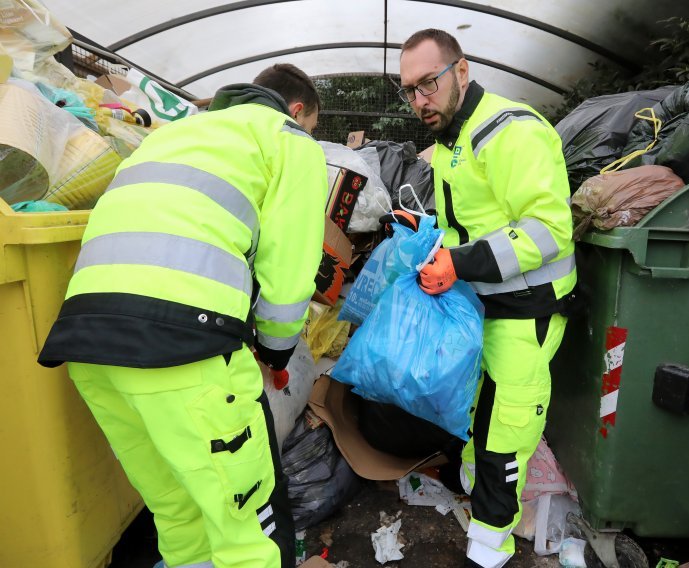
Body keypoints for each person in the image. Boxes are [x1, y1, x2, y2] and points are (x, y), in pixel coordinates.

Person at [38, 63, 328, 568]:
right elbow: (289, 273)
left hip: (85, 341)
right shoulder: (288, 140)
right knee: (249, 533)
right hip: (183, 349)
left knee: (178, 514)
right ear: (297, 111)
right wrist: (275, 352)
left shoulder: (174, 134)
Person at [393, 29, 578, 568]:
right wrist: (429, 231)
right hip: (484, 306)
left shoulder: (508, 131)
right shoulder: (454, 138)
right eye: (409, 90)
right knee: (481, 412)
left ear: (462, 70)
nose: (419, 99)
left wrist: (460, 262)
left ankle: (489, 546)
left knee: (507, 428)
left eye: (428, 83)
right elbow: (477, 222)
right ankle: (478, 499)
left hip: (529, 309)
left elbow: (549, 230)